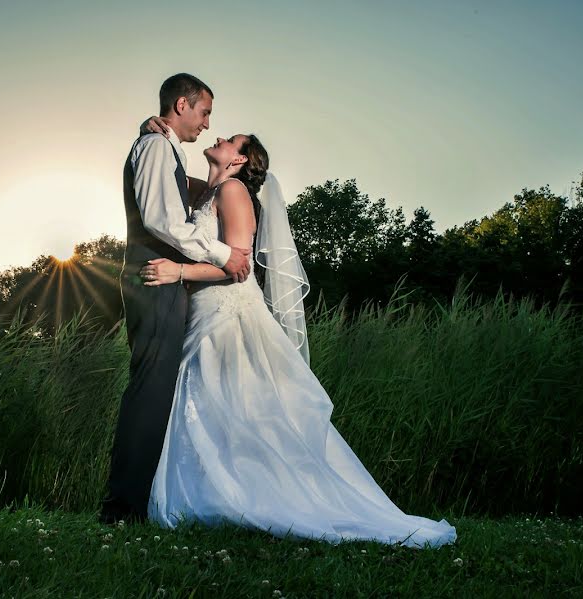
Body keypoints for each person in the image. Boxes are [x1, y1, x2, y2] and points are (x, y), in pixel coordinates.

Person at [135, 122, 457, 548]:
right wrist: (149, 129)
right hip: (203, 308)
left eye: (230, 140)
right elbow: (170, 183)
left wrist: (179, 271)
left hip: (228, 312)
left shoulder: (233, 193)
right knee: (217, 407)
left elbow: (237, 266)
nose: (218, 135)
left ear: (240, 159)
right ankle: (222, 495)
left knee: (237, 408)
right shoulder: (209, 191)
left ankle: (254, 498)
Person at [99, 73, 254, 525]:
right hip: (154, 277)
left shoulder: (164, 149)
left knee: (159, 389)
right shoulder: (153, 148)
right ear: (182, 105)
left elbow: (195, 203)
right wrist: (227, 256)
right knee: (151, 389)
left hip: (167, 280)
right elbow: (163, 220)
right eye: (205, 112)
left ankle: (138, 501)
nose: (208, 124)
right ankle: (122, 507)